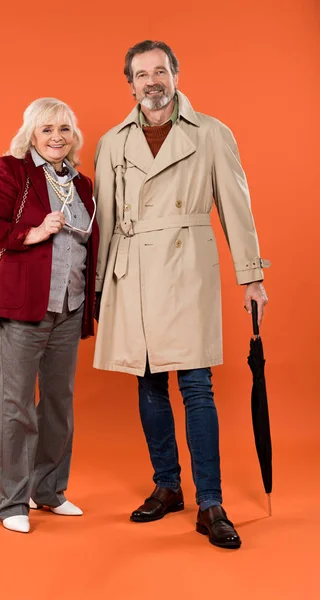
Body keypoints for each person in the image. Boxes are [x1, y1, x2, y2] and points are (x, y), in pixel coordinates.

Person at [93, 40, 269, 549]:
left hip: (187, 266)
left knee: (196, 384)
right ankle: (167, 486)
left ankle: (210, 501)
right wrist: (100, 286)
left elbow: (236, 207)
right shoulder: (112, 142)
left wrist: (251, 275)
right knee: (149, 383)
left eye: (160, 71)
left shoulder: (212, 133)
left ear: (175, 75)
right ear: (130, 83)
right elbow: (103, 220)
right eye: (142, 74)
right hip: (134, 274)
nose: (152, 81)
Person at [0, 98, 99, 533]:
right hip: (22, 307)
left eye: (64, 129)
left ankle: (48, 490)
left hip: (70, 306)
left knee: (59, 404)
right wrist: (32, 233)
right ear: (31, 133)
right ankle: (12, 501)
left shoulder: (83, 184)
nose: (56, 137)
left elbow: (91, 243)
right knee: (17, 407)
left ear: (74, 136)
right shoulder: (13, 170)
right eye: (47, 129)